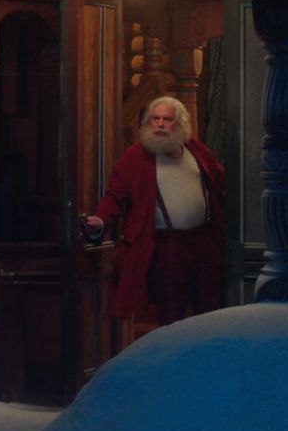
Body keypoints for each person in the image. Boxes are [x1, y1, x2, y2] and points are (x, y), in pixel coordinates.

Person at [83, 96, 225, 326]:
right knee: (170, 312)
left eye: (166, 120)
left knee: (208, 309)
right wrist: (100, 220)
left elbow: (218, 179)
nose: (159, 125)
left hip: (203, 241)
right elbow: (114, 196)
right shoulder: (135, 157)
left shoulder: (194, 149)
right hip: (167, 246)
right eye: (154, 119)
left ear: (179, 124)